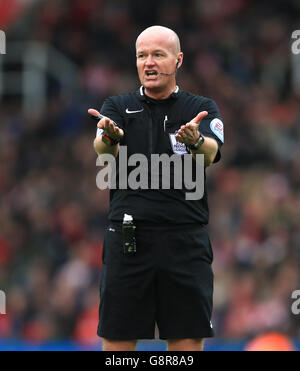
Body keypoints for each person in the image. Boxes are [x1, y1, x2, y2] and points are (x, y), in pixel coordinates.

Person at [91, 25, 224, 351]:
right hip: (128, 243)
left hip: (184, 244)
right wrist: (108, 138)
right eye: (141, 55)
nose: (148, 63)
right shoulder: (117, 107)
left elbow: (212, 153)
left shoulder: (199, 109)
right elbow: (103, 150)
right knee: (118, 350)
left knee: (185, 349)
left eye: (157, 55)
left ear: (178, 60)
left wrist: (195, 141)